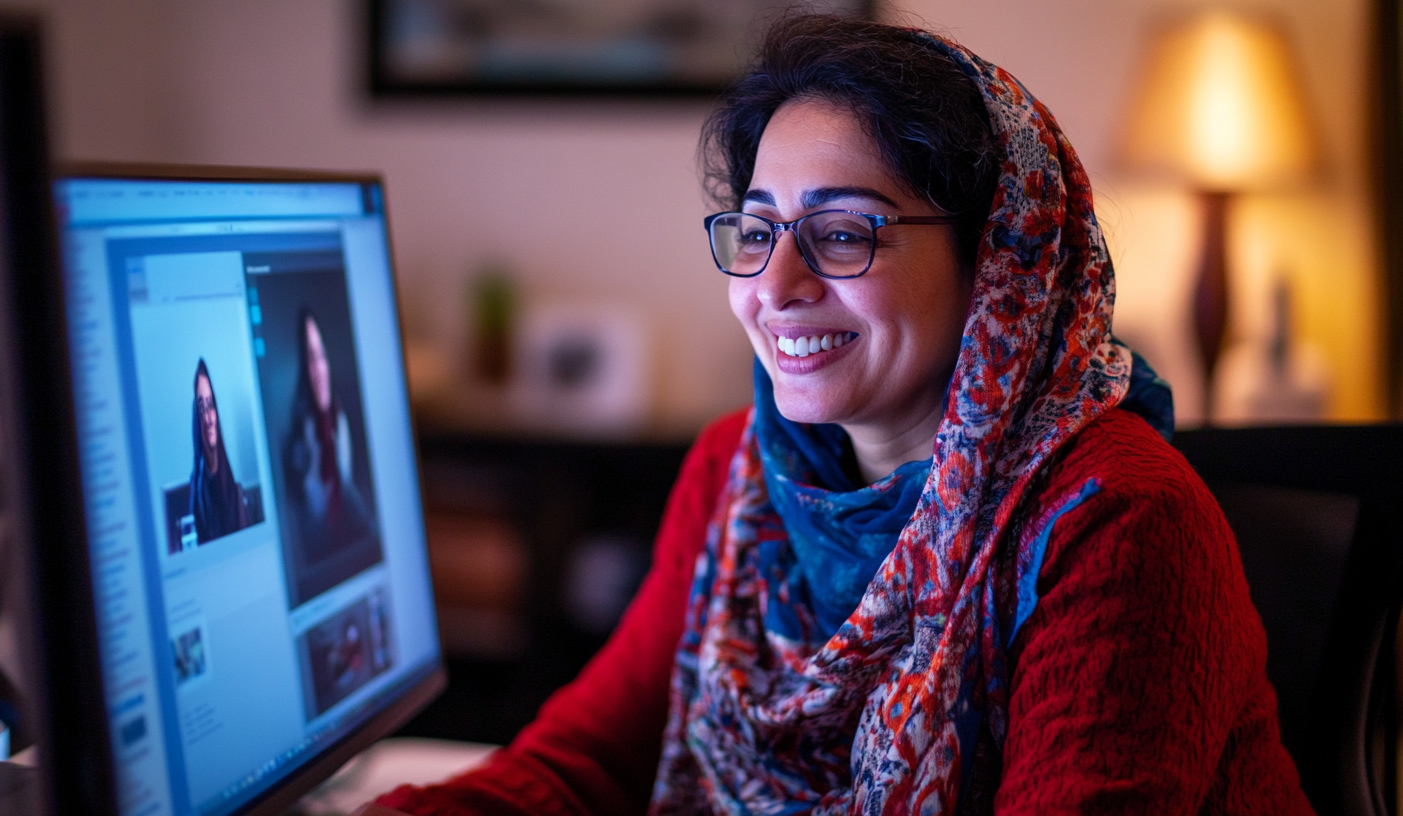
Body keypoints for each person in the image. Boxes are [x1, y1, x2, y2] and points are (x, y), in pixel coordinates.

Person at [378, 14, 1312, 815]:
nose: (774, 287)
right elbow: (584, 767)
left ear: (997, 261)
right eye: (757, 229)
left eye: (842, 232)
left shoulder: (1113, 518)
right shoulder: (739, 470)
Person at [285, 308, 374, 564]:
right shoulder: (299, 439)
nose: (319, 368)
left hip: (345, 543)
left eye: (321, 355)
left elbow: (344, 485)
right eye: (311, 358)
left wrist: (368, 526)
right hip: (318, 555)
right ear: (304, 368)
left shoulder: (339, 418)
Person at [188, 358, 249, 544]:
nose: (208, 419)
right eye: (201, 407)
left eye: (211, 405)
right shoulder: (197, 488)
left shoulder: (234, 488)